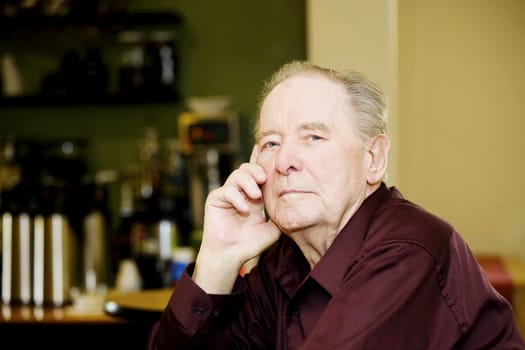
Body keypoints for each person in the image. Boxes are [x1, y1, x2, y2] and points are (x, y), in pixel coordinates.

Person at [148, 60, 525, 349]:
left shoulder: (411, 250)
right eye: (271, 143)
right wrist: (219, 257)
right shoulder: (283, 261)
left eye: (313, 137)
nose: (284, 161)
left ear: (374, 158)